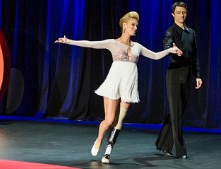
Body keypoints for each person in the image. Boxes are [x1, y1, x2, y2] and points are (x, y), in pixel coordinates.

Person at [55, 11, 182, 163]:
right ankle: (99, 139)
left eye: (136, 25)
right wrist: (68, 41)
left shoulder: (137, 47)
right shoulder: (113, 43)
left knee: (119, 121)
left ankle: (108, 151)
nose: (135, 28)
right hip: (113, 83)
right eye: (133, 25)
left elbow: (154, 56)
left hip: (128, 85)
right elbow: (90, 44)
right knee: (109, 120)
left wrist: (170, 50)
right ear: (125, 26)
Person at [155, 1, 202, 159]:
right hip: (174, 74)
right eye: (179, 12)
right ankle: (180, 149)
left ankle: (163, 144)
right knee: (176, 112)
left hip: (187, 74)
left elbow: (195, 56)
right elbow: (167, 46)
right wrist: (173, 50)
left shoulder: (191, 32)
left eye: (184, 12)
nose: (181, 15)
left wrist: (197, 75)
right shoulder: (170, 32)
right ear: (173, 14)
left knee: (178, 112)